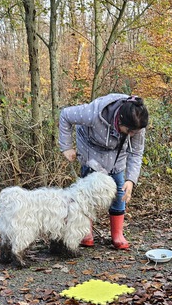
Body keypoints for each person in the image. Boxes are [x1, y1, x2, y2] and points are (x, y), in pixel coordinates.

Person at [58, 93, 149, 250]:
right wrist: (66, 147)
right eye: (130, 131)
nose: (132, 135)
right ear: (120, 120)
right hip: (91, 153)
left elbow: (136, 152)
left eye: (135, 132)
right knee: (86, 195)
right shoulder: (93, 113)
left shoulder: (137, 123)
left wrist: (131, 180)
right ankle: (85, 232)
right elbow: (65, 115)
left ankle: (117, 234)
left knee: (120, 192)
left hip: (117, 158)